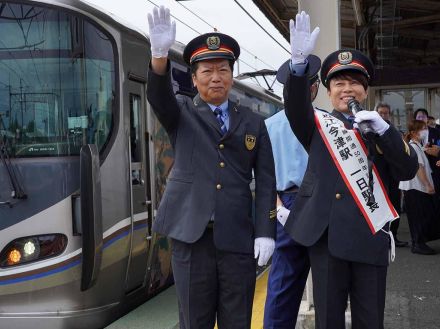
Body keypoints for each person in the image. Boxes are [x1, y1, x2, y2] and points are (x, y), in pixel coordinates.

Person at [282, 11, 418, 329]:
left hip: (370, 235)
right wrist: (299, 67)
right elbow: (295, 106)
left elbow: (408, 168)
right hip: (326, 237)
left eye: (355, 83)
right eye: (339, 83)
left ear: (366, 91)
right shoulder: (317, 125)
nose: (347, 89)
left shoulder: (382, 129)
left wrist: (384, 132)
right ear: (328, 92)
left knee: (370, 319)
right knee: (328, 319)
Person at [146, 6, 277, 329]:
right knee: (194, 322)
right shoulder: (181, 113)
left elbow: (266, 181)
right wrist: (159, 56)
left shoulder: (254, 123)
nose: (215, 77)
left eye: (222, 70)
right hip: (192, 240)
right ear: (193, 78)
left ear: (232, 75)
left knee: (238, 321)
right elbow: (158, 95)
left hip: (237, 239)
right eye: (207, 71)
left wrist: (265, 232)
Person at [263, 54, 321, 328]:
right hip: (309, 202)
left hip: (289, 203)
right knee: (327, 284)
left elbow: (262, 178)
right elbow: (263, 175)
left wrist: (279, 209)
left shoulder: (268, 126)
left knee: (283, 286)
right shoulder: (325, 121)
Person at [399, 120, 437, 255]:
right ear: (414, 133)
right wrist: (427, 184)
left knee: (420, 216)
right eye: (423, 129)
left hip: (415, 187)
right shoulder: (413, 147)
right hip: (415, 187)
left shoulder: (416, 146)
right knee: (418, 217)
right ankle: (418, 244)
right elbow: (418, 168)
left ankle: (419, 242)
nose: (426, 131)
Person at [375, 102, 408, 247]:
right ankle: (380, 238)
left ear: (389, 114)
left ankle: (393, 236)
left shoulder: (394, 131)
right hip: (377, 176)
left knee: (395, 206)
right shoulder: (368, 129)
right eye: (380, 113)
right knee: (379, 207)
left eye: (385, 113)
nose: (383, 115)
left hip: (393, 175)